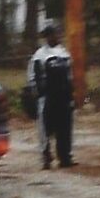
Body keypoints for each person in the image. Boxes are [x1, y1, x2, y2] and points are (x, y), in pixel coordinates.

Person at [27, 21, 74, 169]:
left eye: (57, 33)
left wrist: (72, 94)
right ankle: (46, 156)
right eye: (52, 34)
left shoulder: (64, 53)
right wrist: (35, 93)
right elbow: (32, 77)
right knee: (45, 128)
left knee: (65, 127)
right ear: (47, 37)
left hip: (64, 97)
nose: (56, 36)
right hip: (47, 97)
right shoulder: (39, 55)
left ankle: (65, 156)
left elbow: (69, 75)